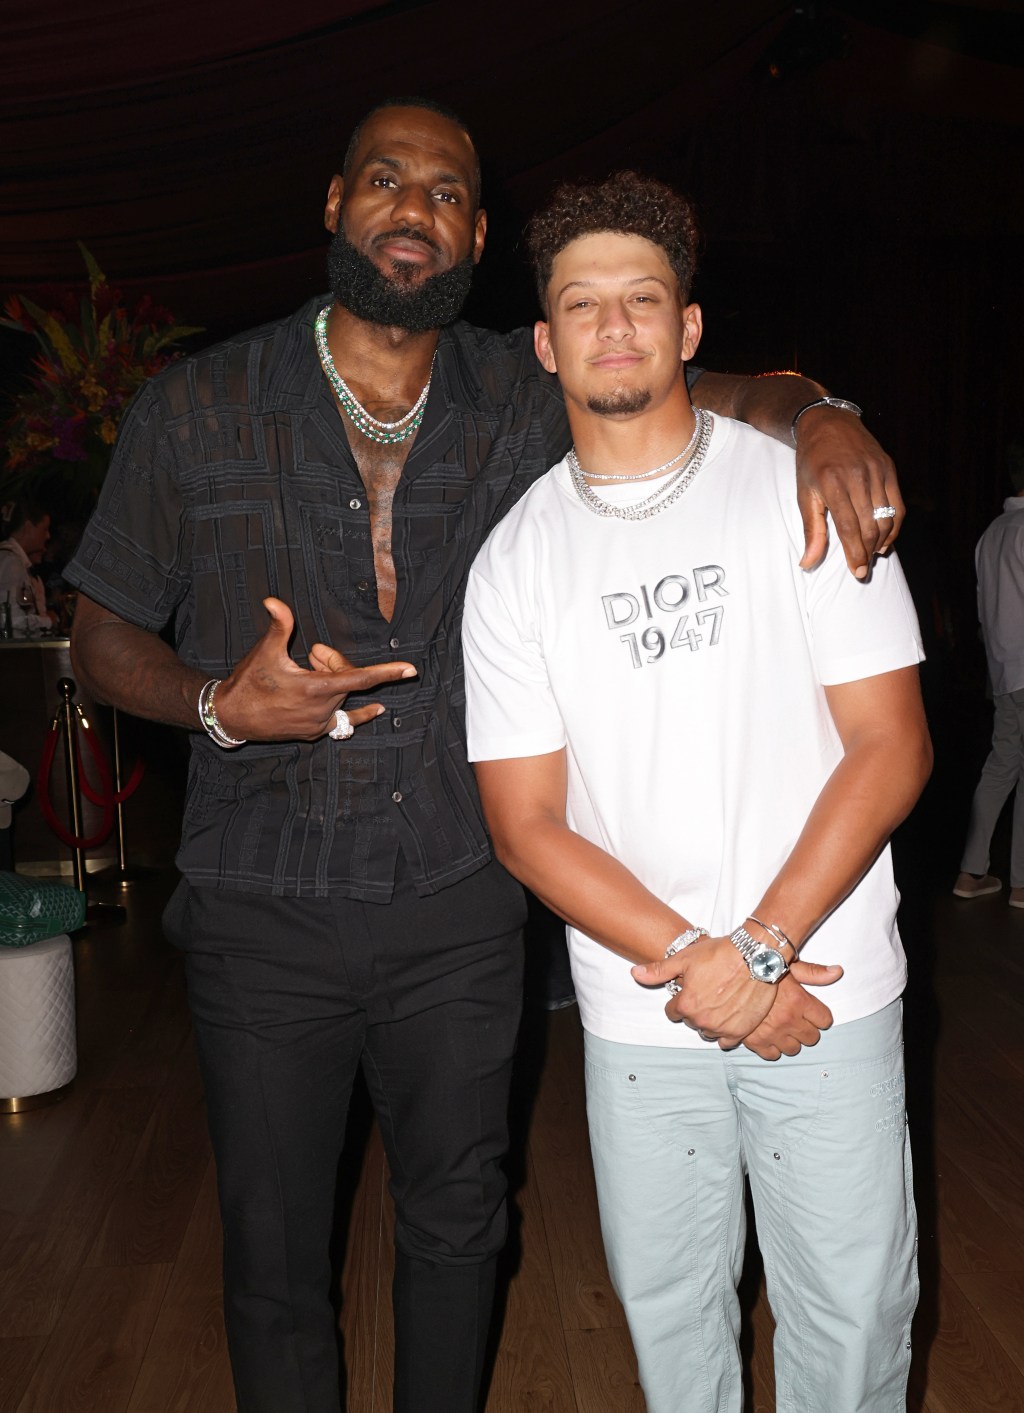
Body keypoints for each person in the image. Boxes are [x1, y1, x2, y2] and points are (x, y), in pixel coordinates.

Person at [66, 98, 906, 1413]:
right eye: (387, 181)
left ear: (477, 232)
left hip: (461, 900)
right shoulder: (199, 405)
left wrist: (822, 413)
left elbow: (699, 388)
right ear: (335, 204)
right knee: (276, 1255)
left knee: (463, 1227)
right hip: (262, 907)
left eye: (448, 192)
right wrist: (217, 704)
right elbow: (96, 635)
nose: (415, 209)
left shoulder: (525, 389)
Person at [462, 170, 932, 1411]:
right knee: (673, 1324)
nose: (613, 326)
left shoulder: (800, 484)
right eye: (582, 304)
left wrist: (763, 951)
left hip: (826, 986)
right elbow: (523, 823)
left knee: (851, 1314)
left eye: (641, 299)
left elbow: (891, 746)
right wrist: (700, 965)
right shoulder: (514, 562)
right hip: (641, 1014)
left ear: (689, 328)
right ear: (545, 343)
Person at [953, 463, 1024, 909]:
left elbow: (983, 613)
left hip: (1003, 669)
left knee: (1001, 764)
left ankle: (970, 870)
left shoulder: (993, 531)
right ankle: (1021, 884)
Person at [0, 499, 55, 632]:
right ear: (29, 527)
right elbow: (10, 620)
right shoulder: (11, 562)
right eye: (44, 529)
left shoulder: (14, 559)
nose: (48, 536)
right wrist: (48, 621)